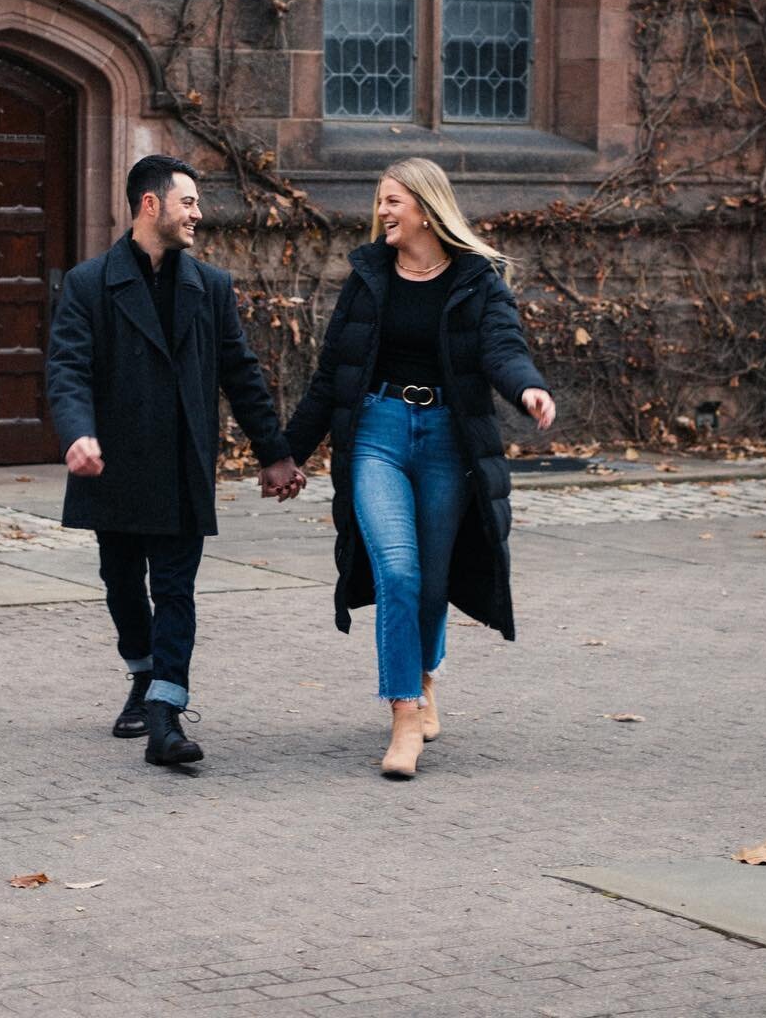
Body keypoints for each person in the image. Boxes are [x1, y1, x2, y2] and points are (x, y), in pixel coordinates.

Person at [279, 157, 555, 780]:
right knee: (397, 570)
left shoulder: (478, 280)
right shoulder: (368, 276)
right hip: (376, 432)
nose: (382, 212)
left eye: (392, 201)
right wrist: (286, 454)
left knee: (433, 582)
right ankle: (404, 712)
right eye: (380, 201)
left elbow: (502, 348)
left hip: (446, 440)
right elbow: (332, 377)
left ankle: (425, 677)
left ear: (427, 209)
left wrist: (527, 389)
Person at [46, 154, 305, 769]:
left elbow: (240, 374)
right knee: (121, 584)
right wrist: (77, 434)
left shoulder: (210, 286)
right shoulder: (89, 283)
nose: (198, 213)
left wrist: (275, 454)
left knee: (176, 589)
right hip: (113, 466)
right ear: (150, 205)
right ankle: (141, 673)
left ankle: (164, 713)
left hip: (183, 464)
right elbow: (68, 368)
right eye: (187, 201)